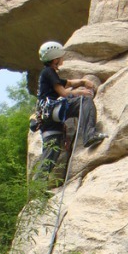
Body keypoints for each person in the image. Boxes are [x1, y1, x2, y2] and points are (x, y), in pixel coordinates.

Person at [34, 40, 107, 181]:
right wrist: (81, 93)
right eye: (61, 56)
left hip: (47, 120)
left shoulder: (47, 74)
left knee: (52, 151)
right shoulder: (49, 72)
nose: (63, 58)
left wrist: (82, 81)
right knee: (84, 101)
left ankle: (38, 185)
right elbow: (64, 92)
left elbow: (67, 83)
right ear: (56, 58)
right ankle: (89, 135)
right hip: (52, 111)